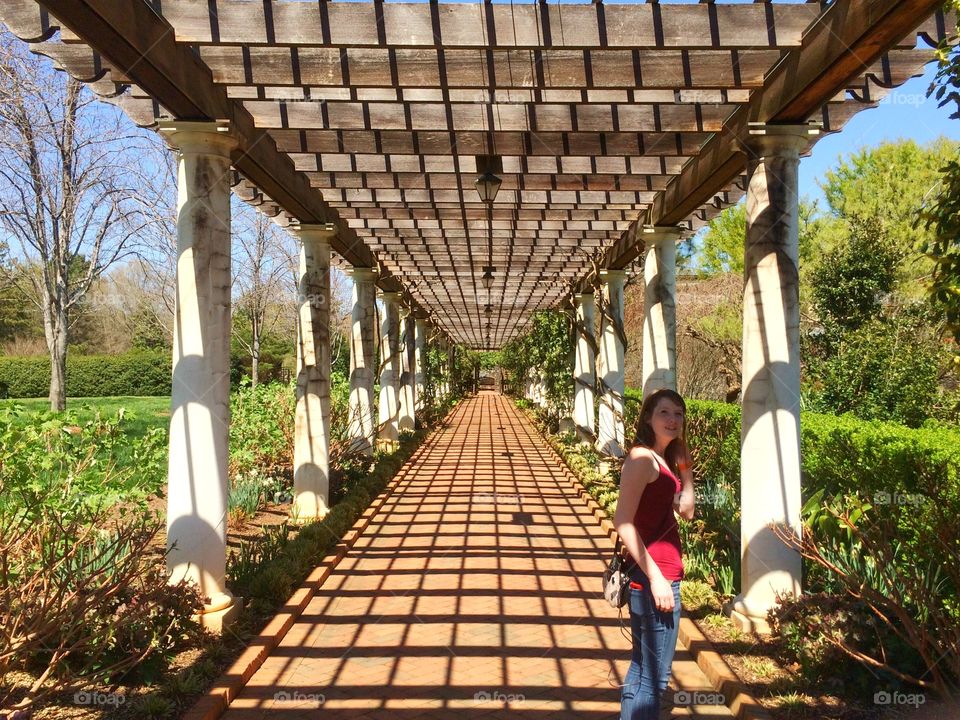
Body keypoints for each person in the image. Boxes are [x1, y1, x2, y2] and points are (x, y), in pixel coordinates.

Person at [614, 388, 695, 720]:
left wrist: (685, 467)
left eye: (678, 413)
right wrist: (658, 579)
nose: (672, 419)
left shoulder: (664, 460)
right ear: (648, 417)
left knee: (642, 668)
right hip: (654, 579)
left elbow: (687, 510)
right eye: (664, 412)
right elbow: (623, 521)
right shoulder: (642, 460)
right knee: (655, 680)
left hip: (657, 576)